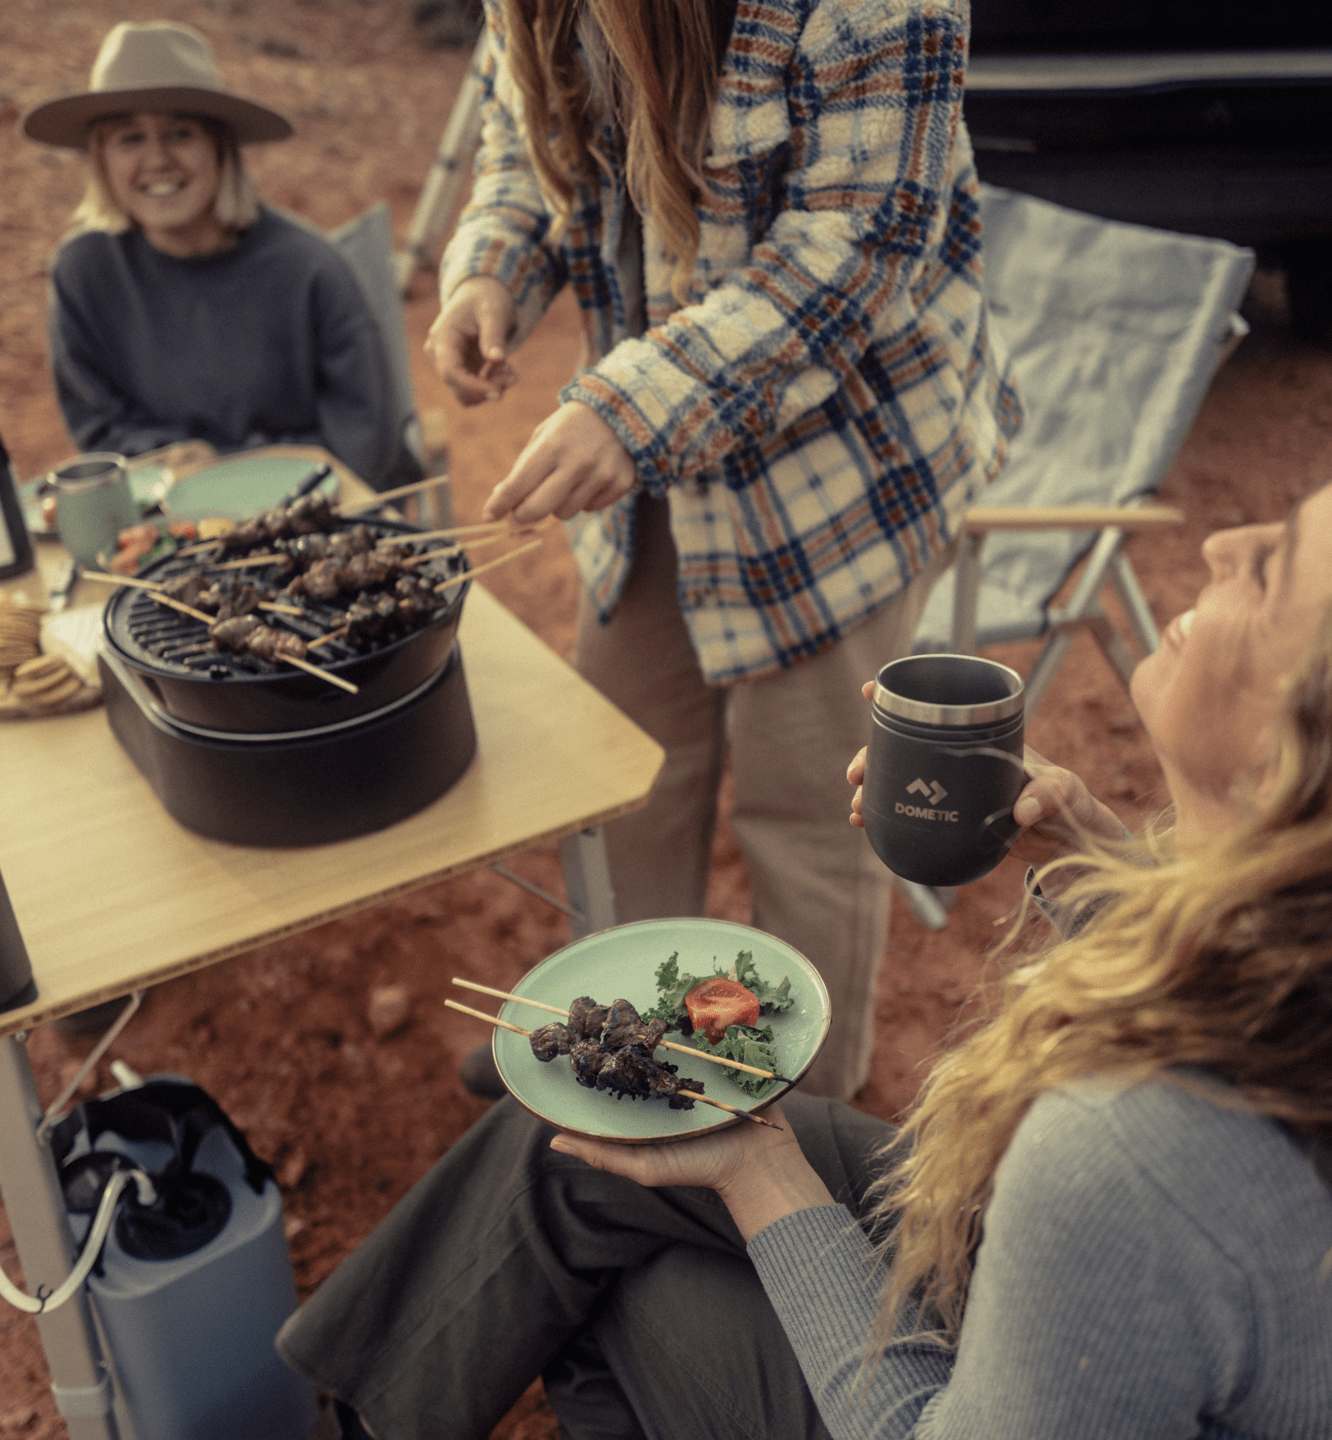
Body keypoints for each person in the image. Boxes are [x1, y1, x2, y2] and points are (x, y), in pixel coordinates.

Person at [276, 480, 1332, 1440]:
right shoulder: (1292, 960)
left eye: (1272, 567)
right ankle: (358, 1419)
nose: (1224, 538)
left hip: (1039, 1340)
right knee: (571, 1146)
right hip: (1091, 1304)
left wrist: (759, 1172)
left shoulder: (1129, 1154)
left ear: (1289, 760)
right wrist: (1095, 852)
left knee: (618, 1278)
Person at [429, 0, 1022, 1100]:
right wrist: (490, 269)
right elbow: (524, 130)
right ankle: (647, 1056)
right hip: (654, 465)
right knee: (629, 785)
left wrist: (632, 410)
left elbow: (856, 258)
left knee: (809, 816)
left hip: (839, 475)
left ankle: (797, 1138)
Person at [19, 21, 413, 491]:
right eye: (130, 138)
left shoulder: (310, 269)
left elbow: (362, 439)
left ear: (221, 148)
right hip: (166, 513)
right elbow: (99, 429)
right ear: (102, 159)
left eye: (180, 133)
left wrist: (228, 468)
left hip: (309, 512)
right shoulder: (82, 272)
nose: (157, 159)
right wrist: (180, 466)